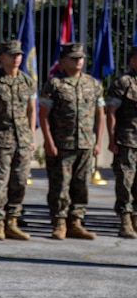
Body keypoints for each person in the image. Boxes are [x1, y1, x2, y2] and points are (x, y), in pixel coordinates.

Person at [39, 42, 104, 240]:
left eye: (81, 58)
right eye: (74, 58)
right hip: (61, 144)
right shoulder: (54, 84)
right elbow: (43, 116)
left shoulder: (92, 84)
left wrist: (98, 141)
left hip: (85, 143)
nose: (78, 61)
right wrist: (48, 142)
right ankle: (59, 222)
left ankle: (75, 221)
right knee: (60, 185)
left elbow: (99, 114)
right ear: (63, 61)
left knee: (81, 185)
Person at [0, 39, 37, 241]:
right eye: (12, 54)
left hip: (22, 141)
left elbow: (31, 111)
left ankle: (12, 221)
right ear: (1, 57)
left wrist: (30, 136)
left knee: (19, 182)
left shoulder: (27, 82)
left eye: (19, 54)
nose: (17, 58)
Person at [106, 47, 137, 238]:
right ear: (132, 60)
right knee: (126, 181)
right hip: (127, 139)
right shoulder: (122, 82)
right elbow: (111, 112)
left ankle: (135, 217)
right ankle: (125, 219)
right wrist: (111, 139)